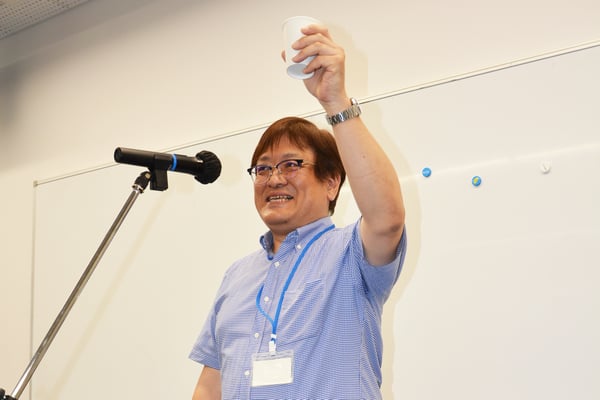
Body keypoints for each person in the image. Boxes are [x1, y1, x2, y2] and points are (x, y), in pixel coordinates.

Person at [189, 22, 407, 400]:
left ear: (331, 182)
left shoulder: (350, 254)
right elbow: (211, 385)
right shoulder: (237, 275)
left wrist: (335, 102)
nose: (274, 179)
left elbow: (387, 220)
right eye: (263, 169)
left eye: (291, 165)